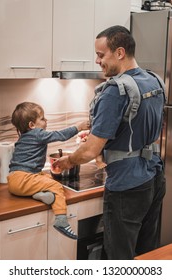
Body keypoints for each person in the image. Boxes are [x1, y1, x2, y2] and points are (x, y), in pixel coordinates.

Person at [55, 25, 166, 259]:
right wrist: (105, 138)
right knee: (146, 254)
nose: (97, 60)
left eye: (100, 54)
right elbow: (146, 130)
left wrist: (66, 162)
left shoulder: (115, 91)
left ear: (119, 53)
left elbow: (89, 152)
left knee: (119, 258)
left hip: (127, 186)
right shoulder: (154, 80)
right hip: (154, 177)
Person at [7, 102, 89, 240]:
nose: (46, 121)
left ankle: (39, 194)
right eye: (43, 118)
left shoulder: (24, 136)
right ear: (32, 125)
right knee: (56, 186)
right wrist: (78, 127)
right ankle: (61, 221)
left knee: (47, 179)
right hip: (24, 179)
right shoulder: (37, 133)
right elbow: (60, 135)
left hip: (14, 181)